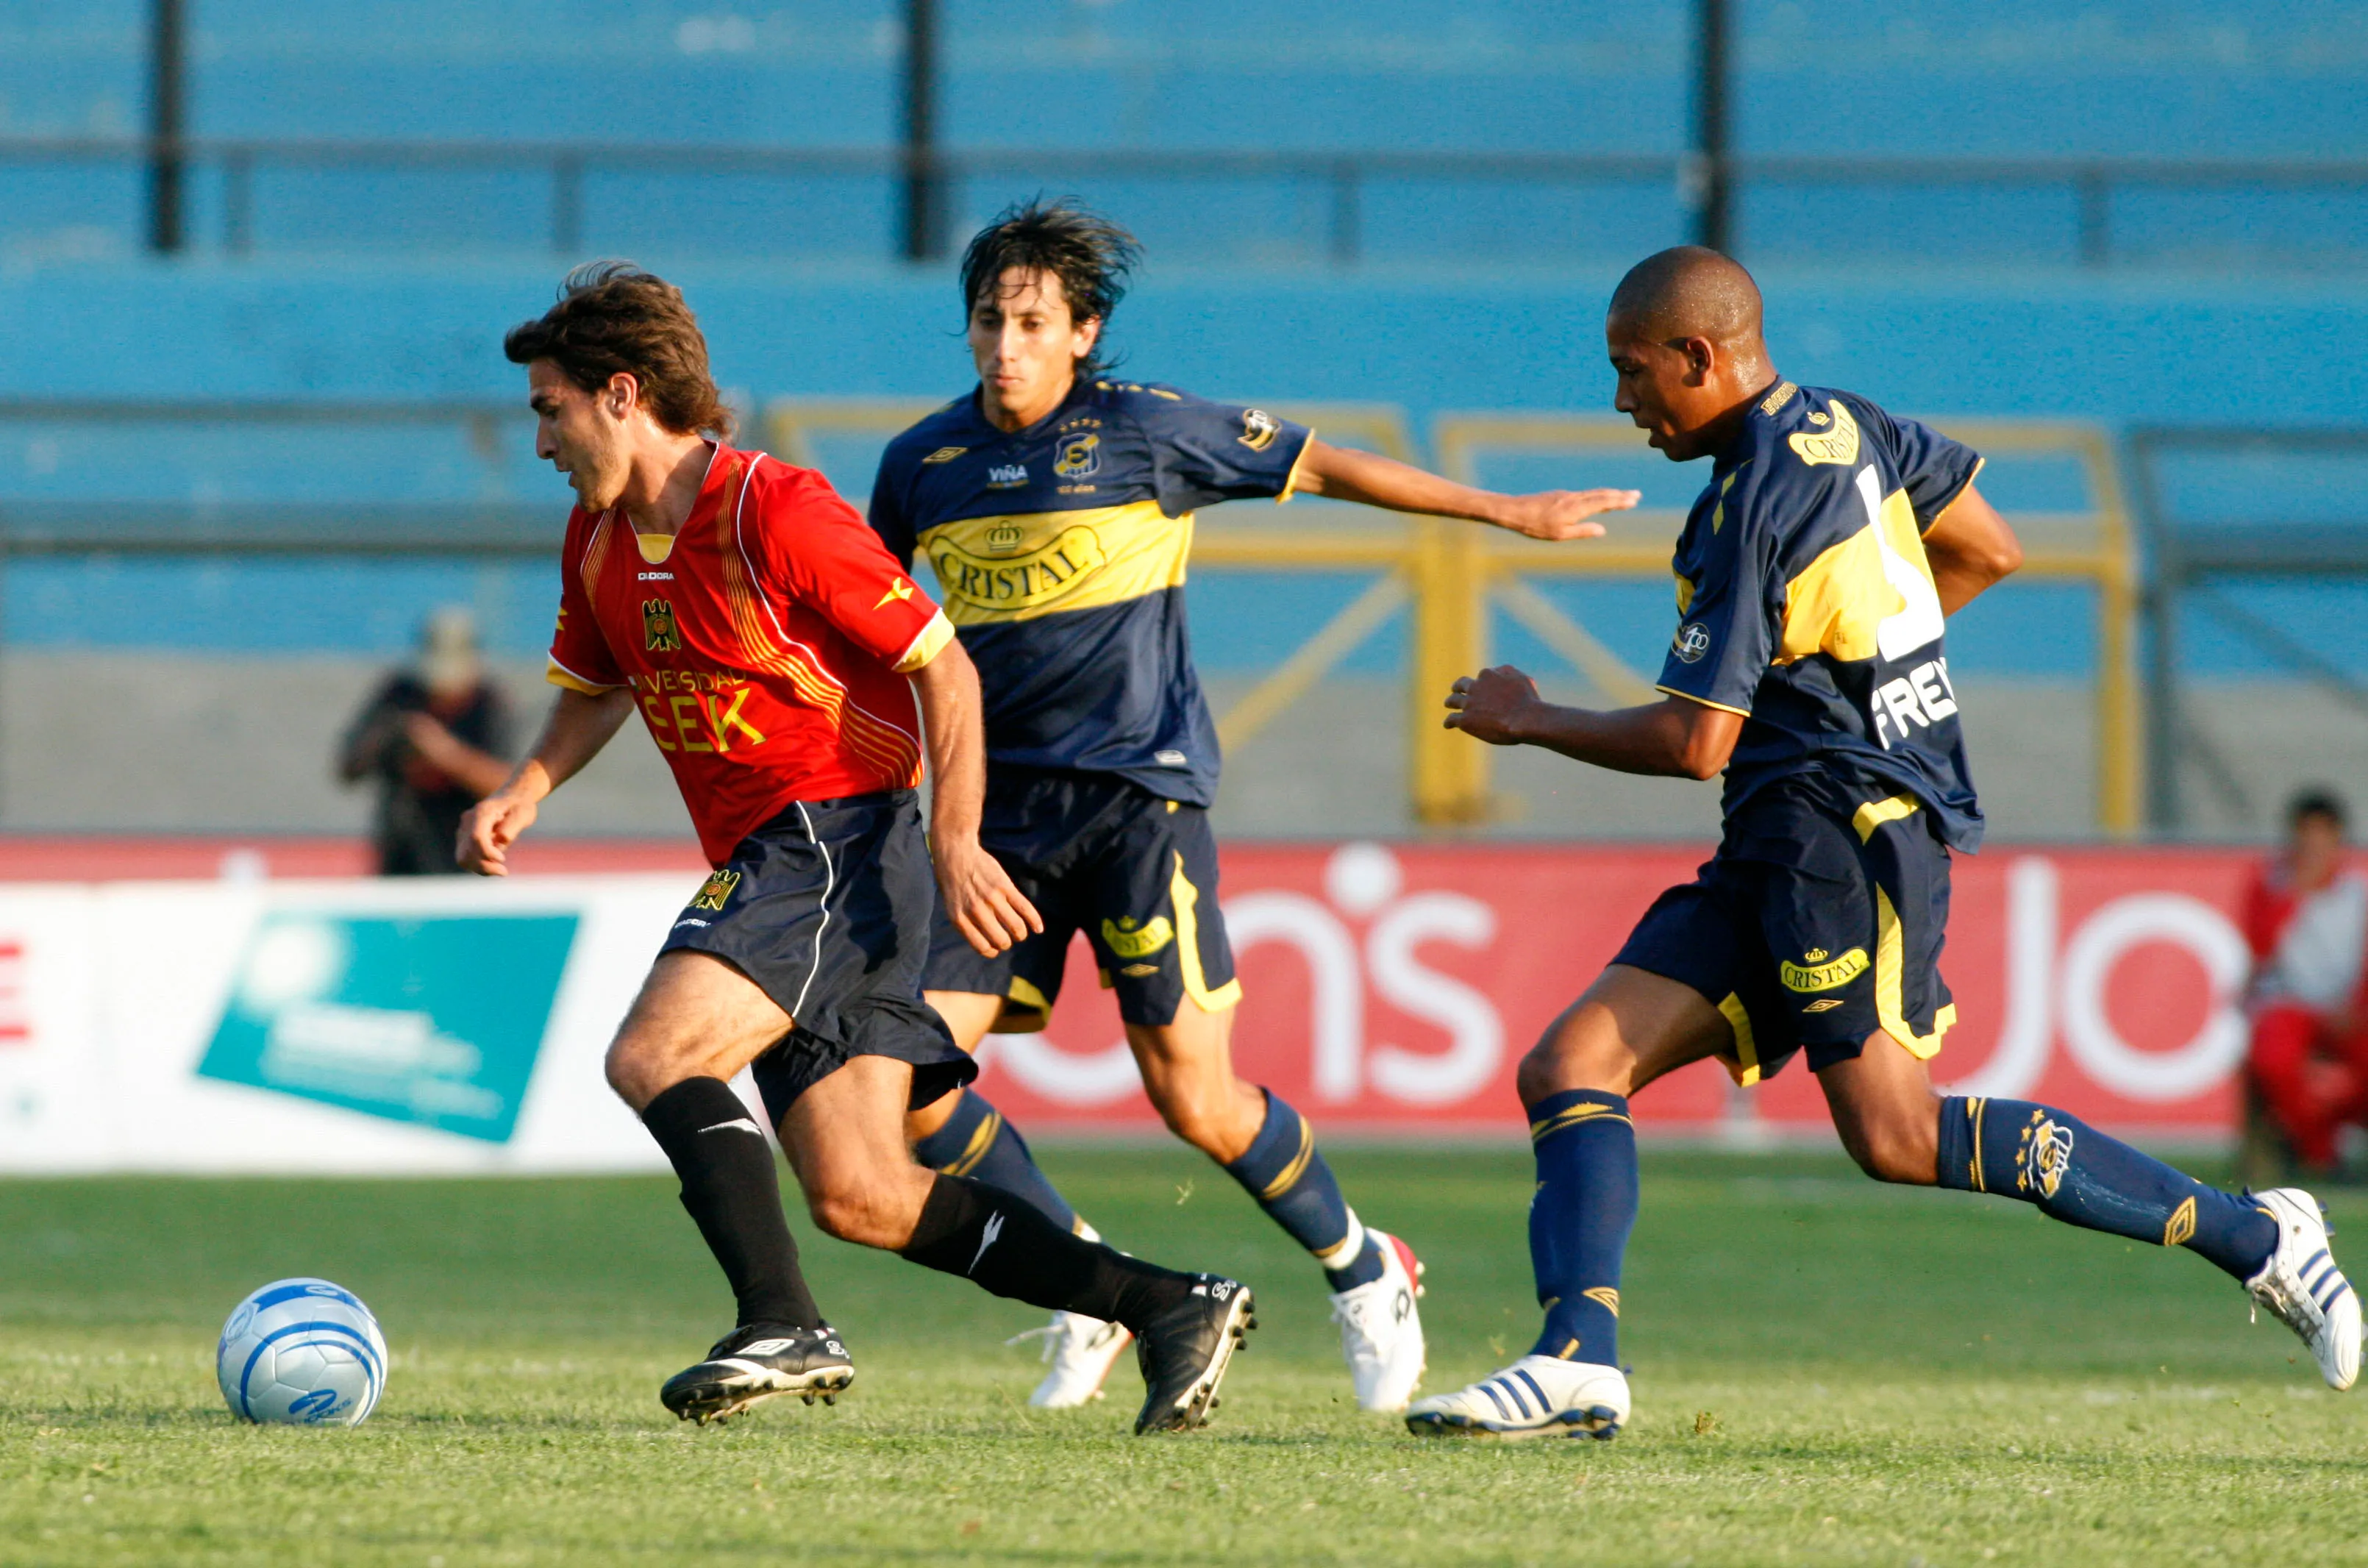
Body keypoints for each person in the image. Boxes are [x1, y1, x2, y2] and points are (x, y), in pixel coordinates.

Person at [1405, 246, 2359, 1441]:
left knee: (1899, 1136)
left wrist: (1529, 718)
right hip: (1776, 829)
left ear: (1698, 357)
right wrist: (1853, 672)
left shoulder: (1744, 506)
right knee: (1572, 1064)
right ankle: (1576, 1359)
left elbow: (1697, 740)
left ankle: (2260, 1235)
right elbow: (1987, 549)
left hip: (1844, 836)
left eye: (1632, 369)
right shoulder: (1849, 424)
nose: (1621, 401)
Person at [865, 199, 1643, 1414]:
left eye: (1031, 322)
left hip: (1138, 803)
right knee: (911, 1084)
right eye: (986, 320)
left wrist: (1508, 513)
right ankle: (1091, 1290)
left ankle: (1362, 1263)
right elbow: (875, 637)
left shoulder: (1150, 431)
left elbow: (1326, 461)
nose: (1004, 344)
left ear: (1083, 330)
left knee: (1193, 1096)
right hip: (995, 822)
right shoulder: (922, 466)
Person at [463, 262, 1254, 1435]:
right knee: (864, 1194)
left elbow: (944, 663)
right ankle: (1168, 1302)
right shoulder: (597, 540)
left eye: (549, 408)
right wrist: (526, 782)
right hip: (802, 860)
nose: (540, 441)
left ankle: (782, 1322)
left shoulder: (775, 508)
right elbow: (596, 685)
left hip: (829, 834)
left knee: (654, 1054)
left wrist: (956, 839)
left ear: (621, 394)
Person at [2244, 789, 2368, 1173]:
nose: (2314, 844)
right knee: (2274, 1060)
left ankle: (2338, 1134)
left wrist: (2355, 1006)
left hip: (2347, 1008)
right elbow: (2260, 949)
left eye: (2323, 834)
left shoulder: (2356, 894)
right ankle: (2318, 1153)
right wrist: (2293, 896)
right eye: (2306, 833)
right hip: (2290, 1004)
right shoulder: (2271, 888)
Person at [337, 607, 512, 874]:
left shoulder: (488, 704)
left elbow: (506, 785)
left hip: (465, 859)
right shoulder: (399, 696)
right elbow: (348, 769)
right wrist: (389, 737)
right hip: (401, 854)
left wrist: (444, 752)